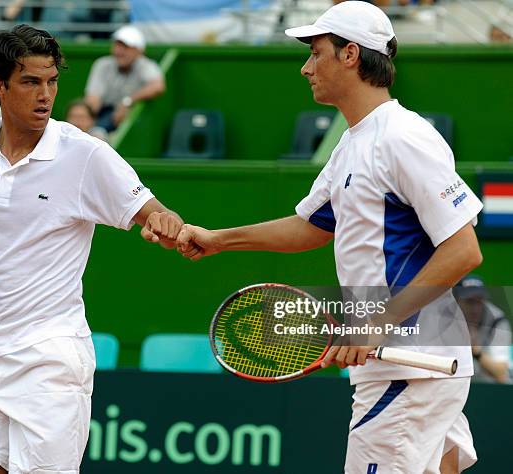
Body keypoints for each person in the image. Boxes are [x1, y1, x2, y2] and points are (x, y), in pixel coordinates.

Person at [177, 2, 483, 473]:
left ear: (350, 55)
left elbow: (463, 249)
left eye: (316, 52)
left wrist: (377, 322)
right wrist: (219, 239)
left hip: (409, 362)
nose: (305, 67)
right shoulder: (353, 142)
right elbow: (311, 227)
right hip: (414, 362)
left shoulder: (402, 137)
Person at [0, 24, 187, 474]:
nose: (45, 95)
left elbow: (154, 214)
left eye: (52, 81)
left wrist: (164, 224)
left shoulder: (86, 154)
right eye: (31, 82)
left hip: (50, 365)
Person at [84, 25, 165, 132]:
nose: (119, 51)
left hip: (131, 118)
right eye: (117, 46)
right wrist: (88, 119)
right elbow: (93, 99)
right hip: (102, 114)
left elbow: (158, 86)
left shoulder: (146, 66)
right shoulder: (102, 64)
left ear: (139, 50)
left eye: (126, 47)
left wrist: (127, 102)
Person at [454, 275, 511, 384]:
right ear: (457, 301)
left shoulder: (497, 321)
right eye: (469, 301)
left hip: (489, 388)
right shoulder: (446, 319)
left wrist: (475, 350)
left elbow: (501, 373)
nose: (475, 308)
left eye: (479, 301)